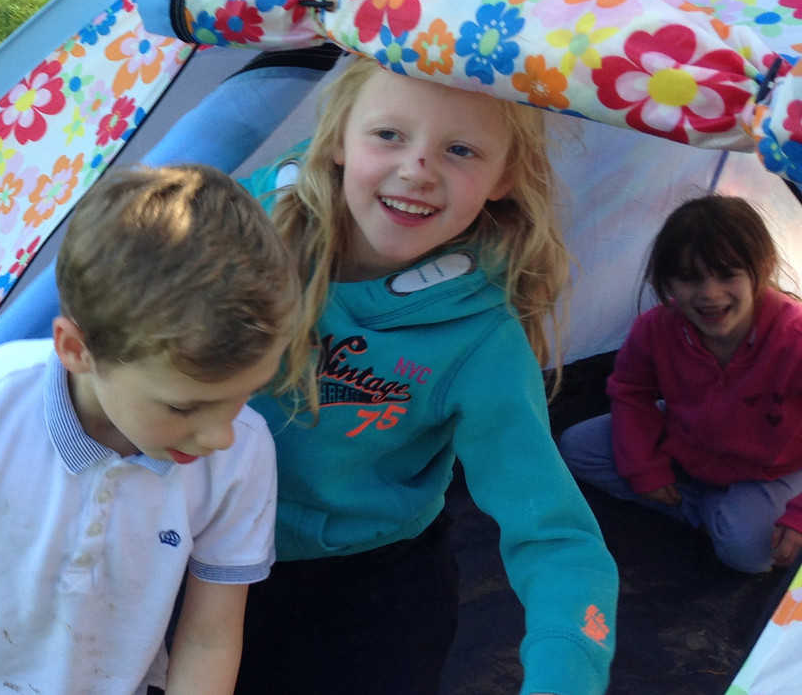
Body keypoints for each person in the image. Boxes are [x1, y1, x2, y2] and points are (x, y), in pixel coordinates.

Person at [0, 163, 302, 695]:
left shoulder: (244, 453)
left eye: (243, 396)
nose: (221, 435)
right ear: (77, 350)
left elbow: (209, 637)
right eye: (186, 407)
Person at [232, 54, 617, 695]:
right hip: (208, 550)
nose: (418, 168)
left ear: (504, 177)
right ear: (336, 140)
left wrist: (566, 672)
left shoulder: (481, 341)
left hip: (369, 585)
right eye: (389, 135)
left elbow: (556, 538)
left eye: (461, 150)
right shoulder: (241, 229)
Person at [559, 195, 802, 574]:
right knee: (576, 448)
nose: (709, 294)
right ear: (668, 280)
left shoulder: (794, 337)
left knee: (752, 552)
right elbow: (631, 393)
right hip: (690, 440)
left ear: (763, 267)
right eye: (689, 278)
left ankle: (719, 515)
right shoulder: (657, 328)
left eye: (727, 275)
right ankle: (707, 512)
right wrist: (644, 469)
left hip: (774, 465)